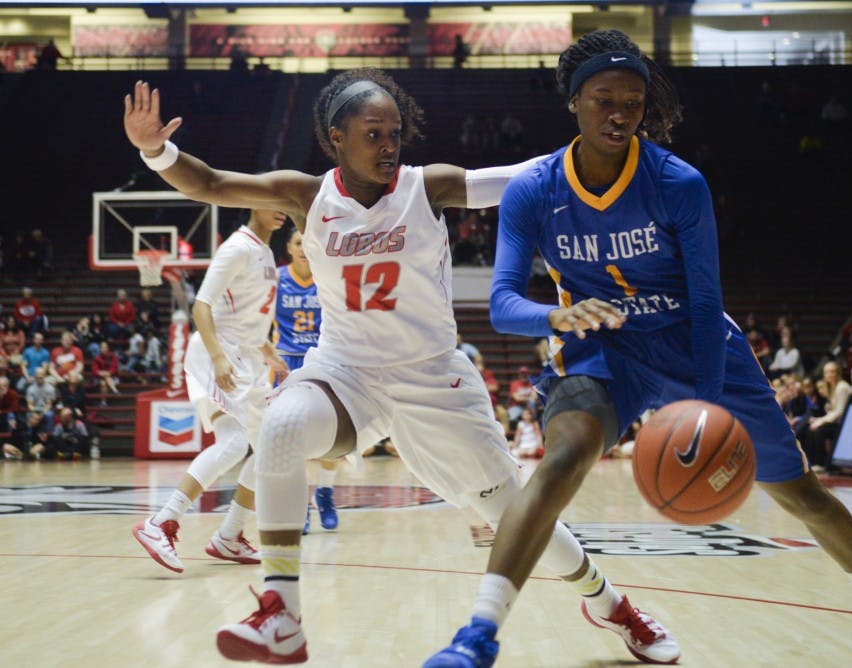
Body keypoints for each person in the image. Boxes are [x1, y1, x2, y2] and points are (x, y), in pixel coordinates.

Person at [123, 70, 673, 666]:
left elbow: (519, 177)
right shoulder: (307, 195)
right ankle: (281, 613)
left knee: (513, 511)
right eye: (373, 134)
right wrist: (155, 149)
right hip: (346, 371)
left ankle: (609, 603)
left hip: (432, 376)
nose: (389, 146)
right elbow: (209, 183)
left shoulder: (425, 187)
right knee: (279, 427)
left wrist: (596, 146)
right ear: (337, 138)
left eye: (395, 133)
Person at [474, 28, 852, 666]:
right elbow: (503, 307)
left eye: (633, 99)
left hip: (697, 343)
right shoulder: (533, 189)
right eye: (604, 98)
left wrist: (706, 410)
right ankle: (480, 632)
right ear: (573, 101)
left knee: (800, 493)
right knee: (561, 461)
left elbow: (707, 304)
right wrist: (559, 317)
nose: (621, 112)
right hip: (605, 351)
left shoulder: (678, 182)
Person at [131, 207, 289, 574]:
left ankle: (229, 535)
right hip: (217, 354)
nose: (280, 208)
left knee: (268, 449)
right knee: (235, 444)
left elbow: (247, 315)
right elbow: (202, 306)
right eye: (272, 201)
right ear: (253, 205)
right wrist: (218, 358)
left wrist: (266, 350)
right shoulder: (237, 247)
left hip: (245, 356)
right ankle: (161, 523)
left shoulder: (265, 252)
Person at [273, 228, 338, 533]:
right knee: (292, 440)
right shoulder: (274, 279)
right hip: (285, 363)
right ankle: (301, 506)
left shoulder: (329, 277)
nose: (303, 249)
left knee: (332, 439)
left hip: (322, 360)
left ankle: (325, 493)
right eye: (298, 243)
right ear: (288, 247)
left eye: (307, 244)